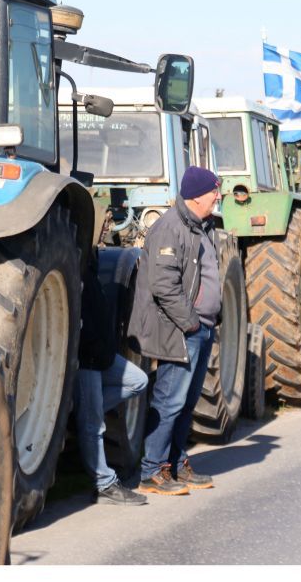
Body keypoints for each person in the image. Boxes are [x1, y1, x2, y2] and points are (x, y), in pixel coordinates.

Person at [128, 165, 222, 495]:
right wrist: (191, 322)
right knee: (169, 400)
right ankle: (151, 471)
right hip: (181, 329)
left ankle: (177, 464)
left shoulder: (202, 227)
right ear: (197, 195)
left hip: (202, 329)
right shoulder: (170, 228)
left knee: (187, 402)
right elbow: (164, 285)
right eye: (214, 191)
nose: (218, 196)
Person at [75, 257, 149, 505]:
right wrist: (94, 349)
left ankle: (82, 415)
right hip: (88, 361)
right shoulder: (75, 270)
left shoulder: (90, 267)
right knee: (94, 426)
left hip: (104, 358)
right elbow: (80, 324)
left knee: (138, 381)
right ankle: (104, 484)